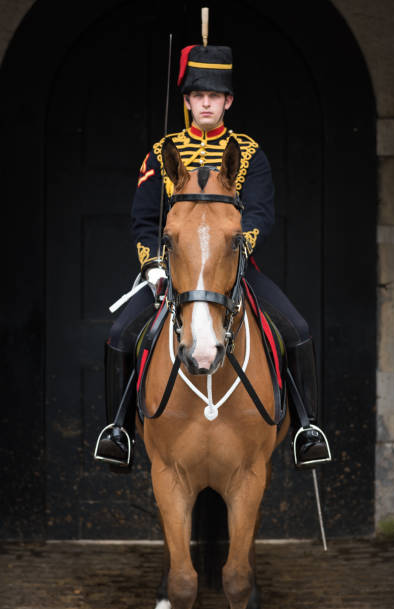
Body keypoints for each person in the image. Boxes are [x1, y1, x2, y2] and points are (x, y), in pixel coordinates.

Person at [94, 44, 331, 469]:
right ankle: (119, 433)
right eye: (198, 96)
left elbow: (259, 215)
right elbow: (144, 219)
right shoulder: (162, 152)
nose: (206, 103)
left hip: (232, 269)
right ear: (187, 102)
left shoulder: (249, 153)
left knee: (297, 328)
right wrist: (152, 266)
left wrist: (230, 255)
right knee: (119, 334)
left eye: (214, 96)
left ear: (228, 102)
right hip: (172, 274)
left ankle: (307, 429)